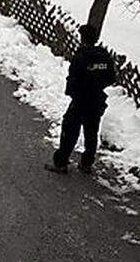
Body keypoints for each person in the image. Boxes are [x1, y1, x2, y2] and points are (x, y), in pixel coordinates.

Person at [46, 24, 117, 174]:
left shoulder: (81, 57)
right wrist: (97, 85)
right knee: (91, 132)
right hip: (97, 99)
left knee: (70, 130)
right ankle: (86, 164)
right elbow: (111, 78)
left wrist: (75, 92)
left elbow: (73, 80)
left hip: (81, 100)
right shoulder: (104, 57)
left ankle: (61, 163)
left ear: (82, 38)